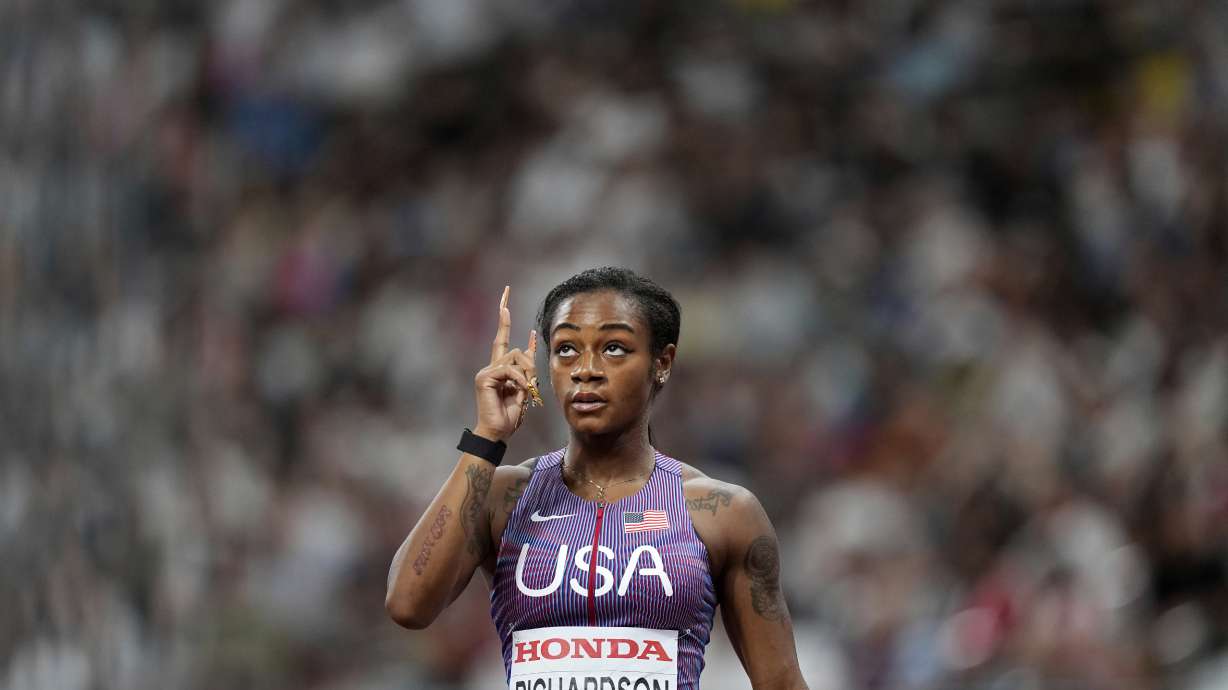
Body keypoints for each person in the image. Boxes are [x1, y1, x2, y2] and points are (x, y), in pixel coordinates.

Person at [386, 267, 809, 690]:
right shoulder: (504, 498)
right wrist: (486, 438)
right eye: (566, 348)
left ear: (662, 362)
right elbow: (408, 605)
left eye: (614, 348)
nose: (586, 369)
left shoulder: (722, 514)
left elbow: (782, 684)